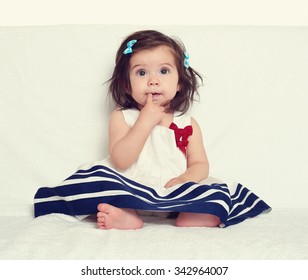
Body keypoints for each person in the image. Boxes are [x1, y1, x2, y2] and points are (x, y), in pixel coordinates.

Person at [34, 30, 271, 230]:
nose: (153, 80)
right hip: (132, 186)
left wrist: (184, 180)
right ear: (127, 84)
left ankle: (188, 214)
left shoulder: (187, 123)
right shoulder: (123, 117)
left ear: (179, 83)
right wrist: (145, 121)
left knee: (217, 194)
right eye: (141, 72)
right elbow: (121, 159)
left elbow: (200, 164)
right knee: (102, 183)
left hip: (173, 189)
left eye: (164, 71)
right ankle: (129, 217)